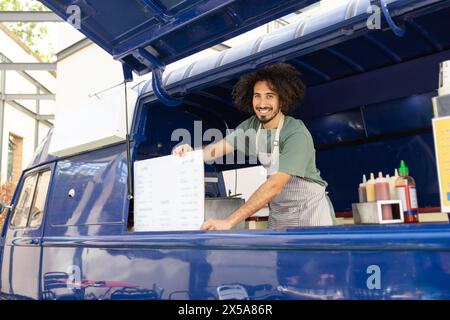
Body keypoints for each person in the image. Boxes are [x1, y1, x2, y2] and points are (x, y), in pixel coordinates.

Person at [173, 63, 335, 230]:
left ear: (282, 100)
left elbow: (275, 185)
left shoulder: (296, 133)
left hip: (310, 213)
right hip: (280, 215)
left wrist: (229, 221)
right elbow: (214, 150)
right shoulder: (251, 127)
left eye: (270, 96)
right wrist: (191, 152)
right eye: (257, 96)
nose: (262, 103)